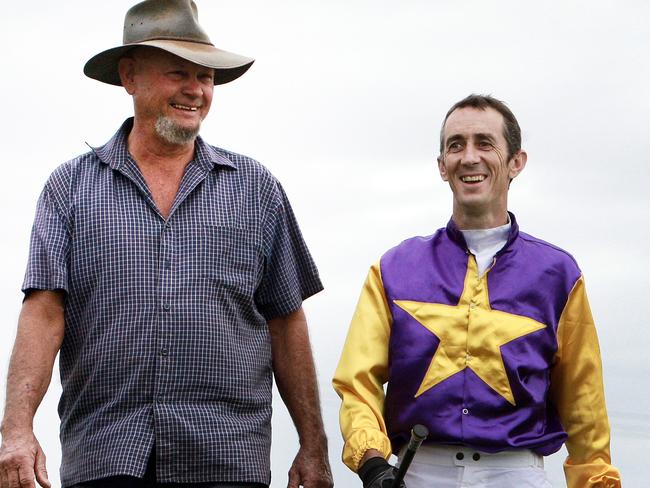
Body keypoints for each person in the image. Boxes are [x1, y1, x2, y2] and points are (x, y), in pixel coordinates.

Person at [0, 1, 333, 487]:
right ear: (129, 77)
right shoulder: (68, 189)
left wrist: (314, 445)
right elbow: (44, 311)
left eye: (207, 77)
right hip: (107, 454)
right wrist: (16, 431)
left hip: (227, 456)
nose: (196, 90)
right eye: (179, 73)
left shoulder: (256, 189)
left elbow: (286, 321)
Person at [333, 94, 621, 488]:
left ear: (516, 162)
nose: (469, 157)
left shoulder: (559, 274)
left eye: (484, 143)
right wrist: (371, 463)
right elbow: (356, 380)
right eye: (456, 145)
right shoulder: (393, 269)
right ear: (441, 166)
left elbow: (585, 408)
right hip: (415, 472)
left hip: (516, 473)